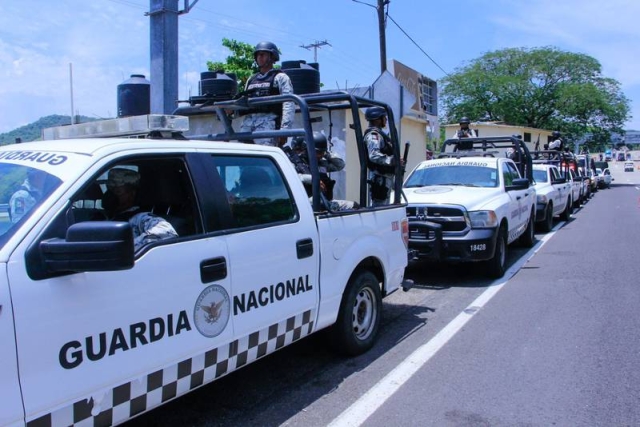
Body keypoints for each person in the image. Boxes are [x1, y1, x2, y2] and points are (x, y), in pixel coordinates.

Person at [103, 168, 178, 251]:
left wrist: (122, 249)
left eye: (117, 191)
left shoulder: (140, 218)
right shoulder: (107, 216)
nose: (110, 195)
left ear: (132, 194)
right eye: (110, 190)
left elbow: (167, 234)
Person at [239, 41, 295, 146]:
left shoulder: (280, 77)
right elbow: (244, 103)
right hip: (247, 125)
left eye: (263, 54)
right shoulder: (251, 79)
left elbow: (288, 104)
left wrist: (285, 130)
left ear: (272, 57)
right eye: (257, 55)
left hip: (268, 126)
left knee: (265, 156)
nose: (259, 57)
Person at [285, 132, 357, 211]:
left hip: (326, 203)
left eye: (322, 152)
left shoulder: (321, 163)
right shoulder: (294, 163)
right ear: (307, 149)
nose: (320, 155)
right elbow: (290, 178)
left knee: (355, 206)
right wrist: (312, 179)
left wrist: (326, 153)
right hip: (306, 204)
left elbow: (340, 165)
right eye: (318, 152)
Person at [363, 106, 402, 206]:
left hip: (385, 178)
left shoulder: (380, 135)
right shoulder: (373, 135)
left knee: (385, 210)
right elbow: (374, 155)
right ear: (378, 119)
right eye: (384, 117)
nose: (386, 119)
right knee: (379, 209)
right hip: (380, 179)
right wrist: (391, 160)